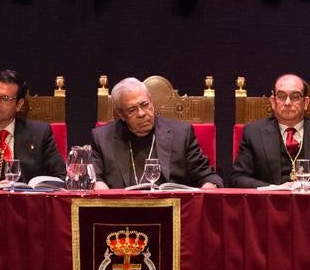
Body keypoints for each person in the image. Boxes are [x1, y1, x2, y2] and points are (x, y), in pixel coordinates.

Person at [91, 77, 222, 190]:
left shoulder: (181, 134)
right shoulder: (102, 138)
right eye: (132, 110)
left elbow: (207, 176)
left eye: (144, 104)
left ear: (151, 102)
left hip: (172, 212)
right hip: (121, 214)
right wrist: (97, 183)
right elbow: (93, 176)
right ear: (120, 114)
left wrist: (210, 185)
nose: (141, 113)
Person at [229, 74, 310, 188]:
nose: (288, 103)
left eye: (295, 97)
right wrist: (273, 189)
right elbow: (238, 179)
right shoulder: (253, 133)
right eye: (281, 96)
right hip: (269, 208)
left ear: (306, 102)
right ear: (273, 102)